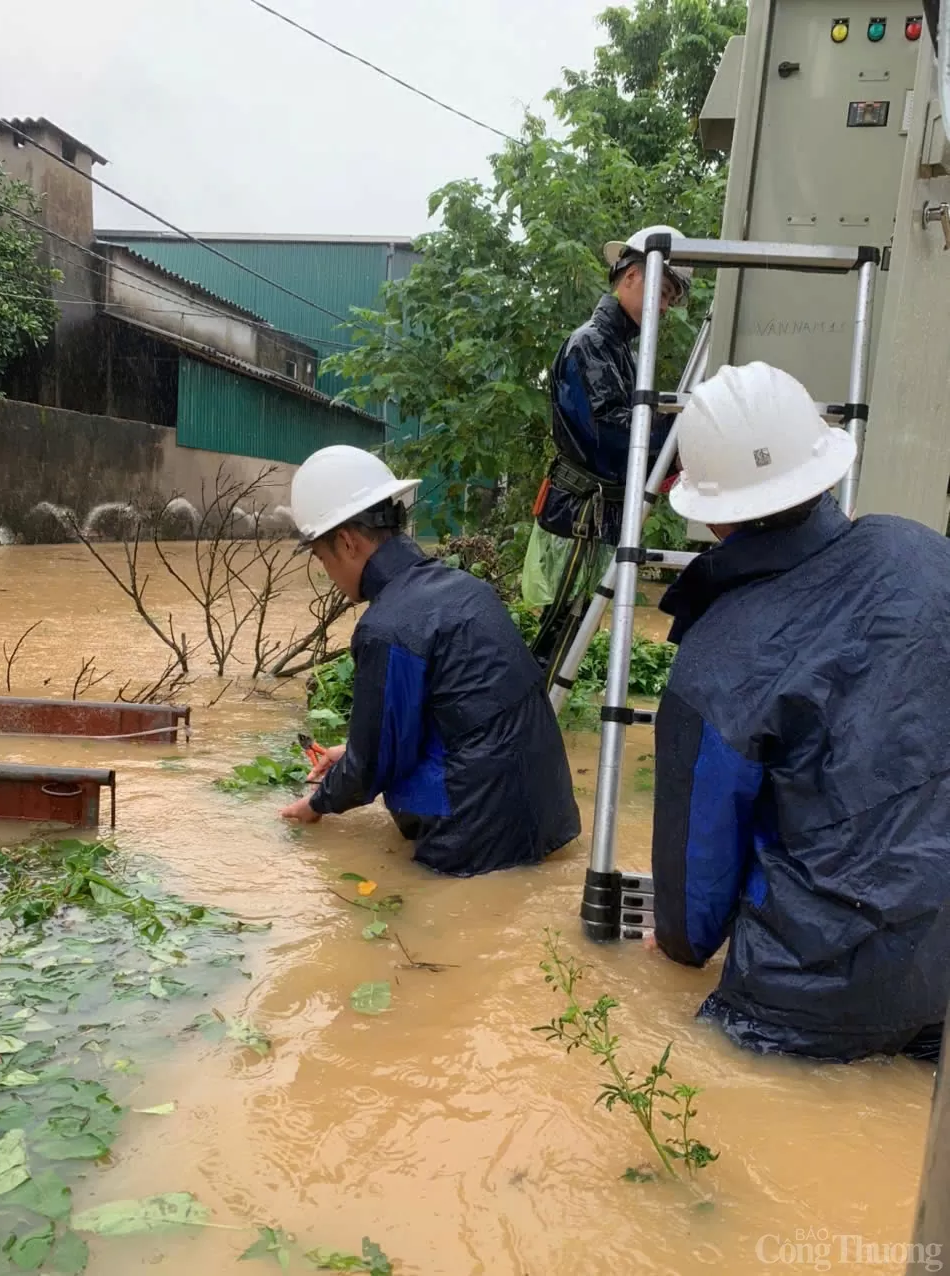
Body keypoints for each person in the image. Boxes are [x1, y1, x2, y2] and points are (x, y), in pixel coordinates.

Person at [649, 361, 950, 1063]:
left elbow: (694, 905)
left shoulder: (717, 657)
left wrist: (674, 945)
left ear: (708, 509)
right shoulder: (928, 555)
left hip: (804, 999)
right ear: (826, 471)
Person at [280, 445, 581, 877]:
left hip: (475, 840)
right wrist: (353, 751)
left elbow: (372, 769)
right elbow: (465, 714)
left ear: (347, 542)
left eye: (323, 558)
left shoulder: (387, 626)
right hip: (545, 816)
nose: (328, 572)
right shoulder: (464, 588)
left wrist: (319, 801)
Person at [523, 224, 693, 686]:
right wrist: (679, 440)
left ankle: (527, 725)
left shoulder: (619, 349)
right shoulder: (591, 344)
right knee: (555, 640)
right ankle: (519, 729)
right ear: (632, 276)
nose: (663, 307)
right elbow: (611, 434)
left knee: (572, 631)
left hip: (594, 516)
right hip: (578, 516)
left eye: (670, 300)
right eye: (662, 292)